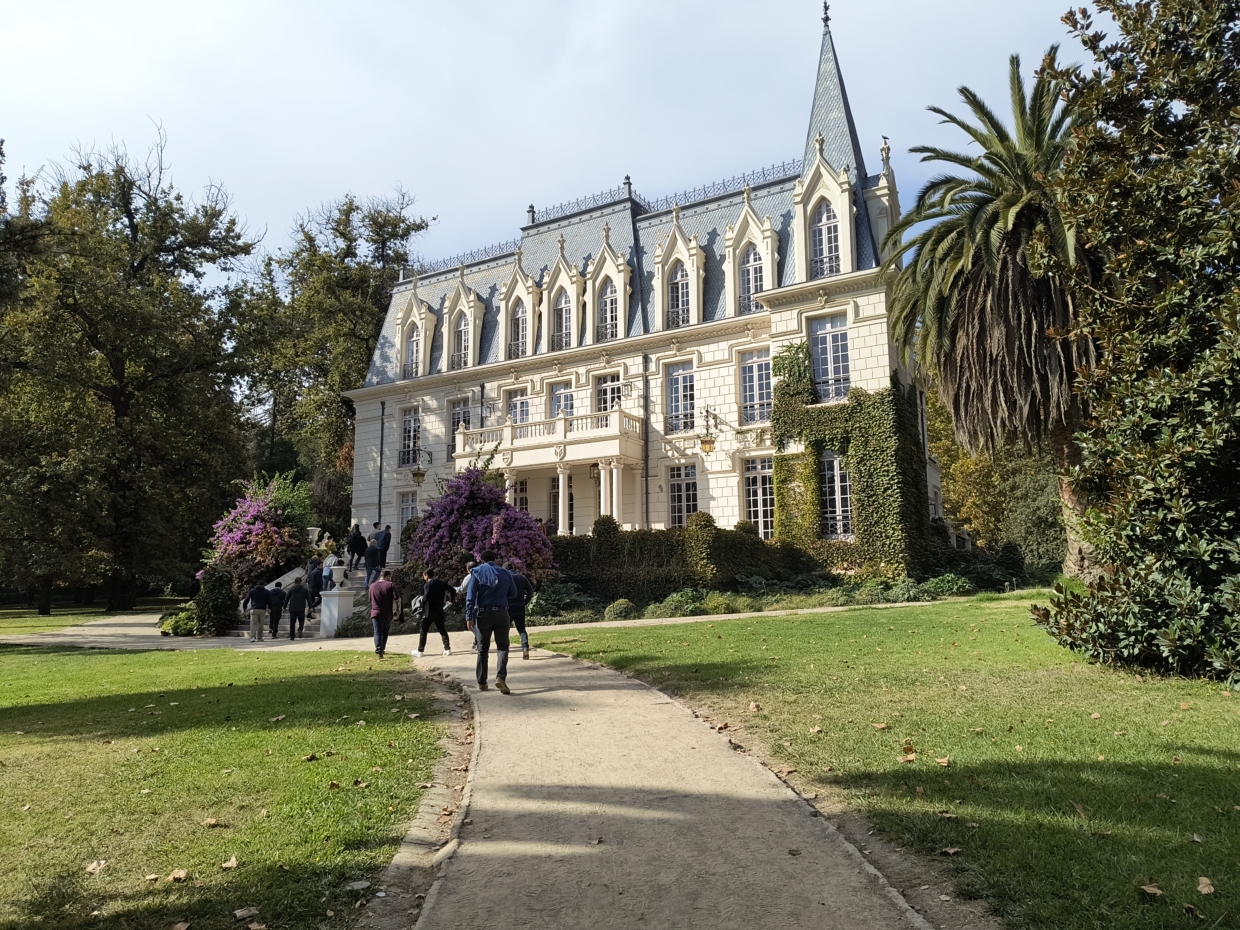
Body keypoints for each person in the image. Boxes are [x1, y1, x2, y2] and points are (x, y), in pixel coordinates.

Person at [465, 551, 517, 694]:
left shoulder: (477, 572)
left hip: (484, 613)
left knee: (483, 649)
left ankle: (482, 682)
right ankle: (501, 677)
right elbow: (514, 593)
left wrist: (469, 616)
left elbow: (470, 596)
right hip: (502, 612)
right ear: (495, 559)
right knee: (503, 647)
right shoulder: (505, 573)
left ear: (482, 559)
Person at [413, 569, 454, 658]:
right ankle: (447, 649)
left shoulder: (428, 585)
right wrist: (451, 600)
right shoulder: (441, 583)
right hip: (439, 610)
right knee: (442, 629)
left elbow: (426, 598)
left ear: (426, 575)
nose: (424, 578)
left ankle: (420, 650)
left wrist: (420, 605)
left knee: (423, 630)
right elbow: (452, 590)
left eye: (424, 576)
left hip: (429, 611)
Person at [368, 569, 402, 659]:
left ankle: (379, 650)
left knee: (377, 632)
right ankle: (382, 648)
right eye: (390, 577)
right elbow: (397, 598)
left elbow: (370, 599)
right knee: (385, 632)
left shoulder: (372, 586)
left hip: (375, 612)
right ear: (387, 576)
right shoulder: (391, 585)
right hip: (387, 613)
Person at [504, 561, 535, 660]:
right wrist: (526, 601)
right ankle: (525, 647)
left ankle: (505, 650)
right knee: (521, 628)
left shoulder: (505, 578)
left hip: (507, 606)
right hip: (520, 605)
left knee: (505, 629)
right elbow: (530, 590)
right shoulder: (522, 578)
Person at [284, 575, 311, 640]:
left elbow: (287, 599)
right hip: (301, 607)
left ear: (294, 582)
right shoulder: (304, 589)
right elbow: (308, 598)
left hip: (292, 607)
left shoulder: (291, 589)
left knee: (292, 622)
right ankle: (300, 629)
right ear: (301, 582)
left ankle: (292, 636)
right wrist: (310, 607)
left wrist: (284, 607)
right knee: (301, 620)